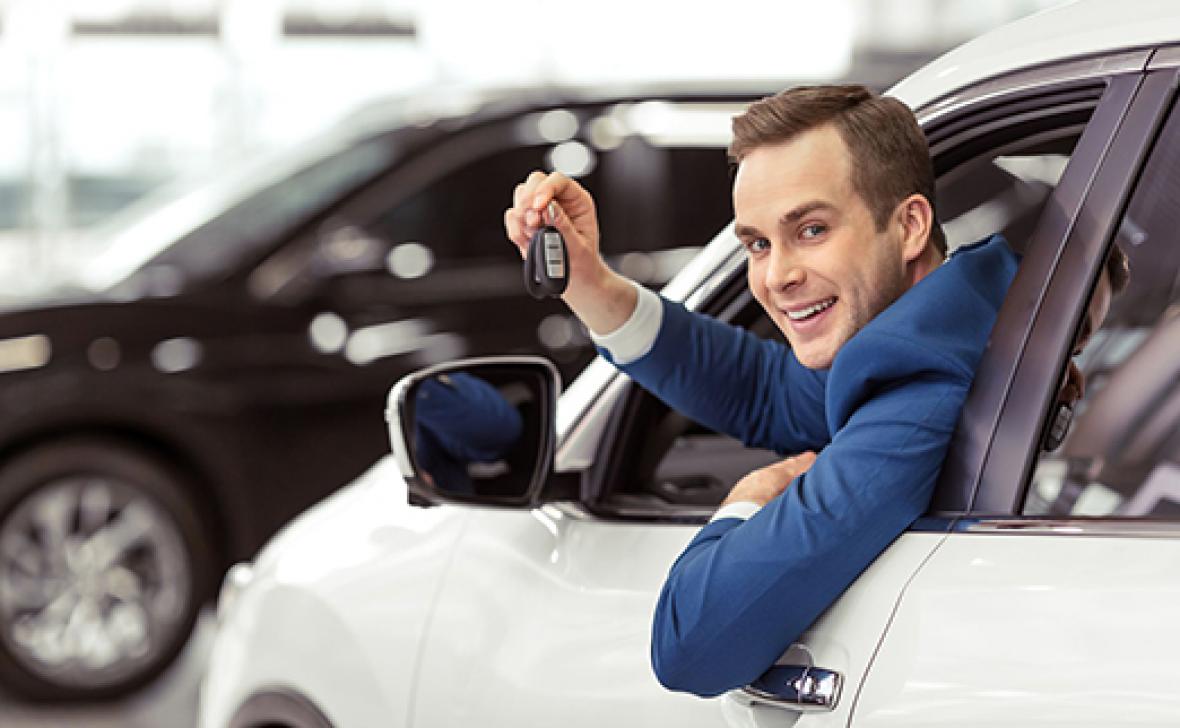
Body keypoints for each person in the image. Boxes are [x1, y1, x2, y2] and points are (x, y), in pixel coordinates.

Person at [504, 85, 1018, 697]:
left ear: (909, 226)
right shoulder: (959, 323)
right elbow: (765, 391)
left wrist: (747, 501)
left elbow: (692, 644)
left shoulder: (923, 394)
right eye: (758, 244)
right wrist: (590, 283)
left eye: (812, 229)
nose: (777, 276)